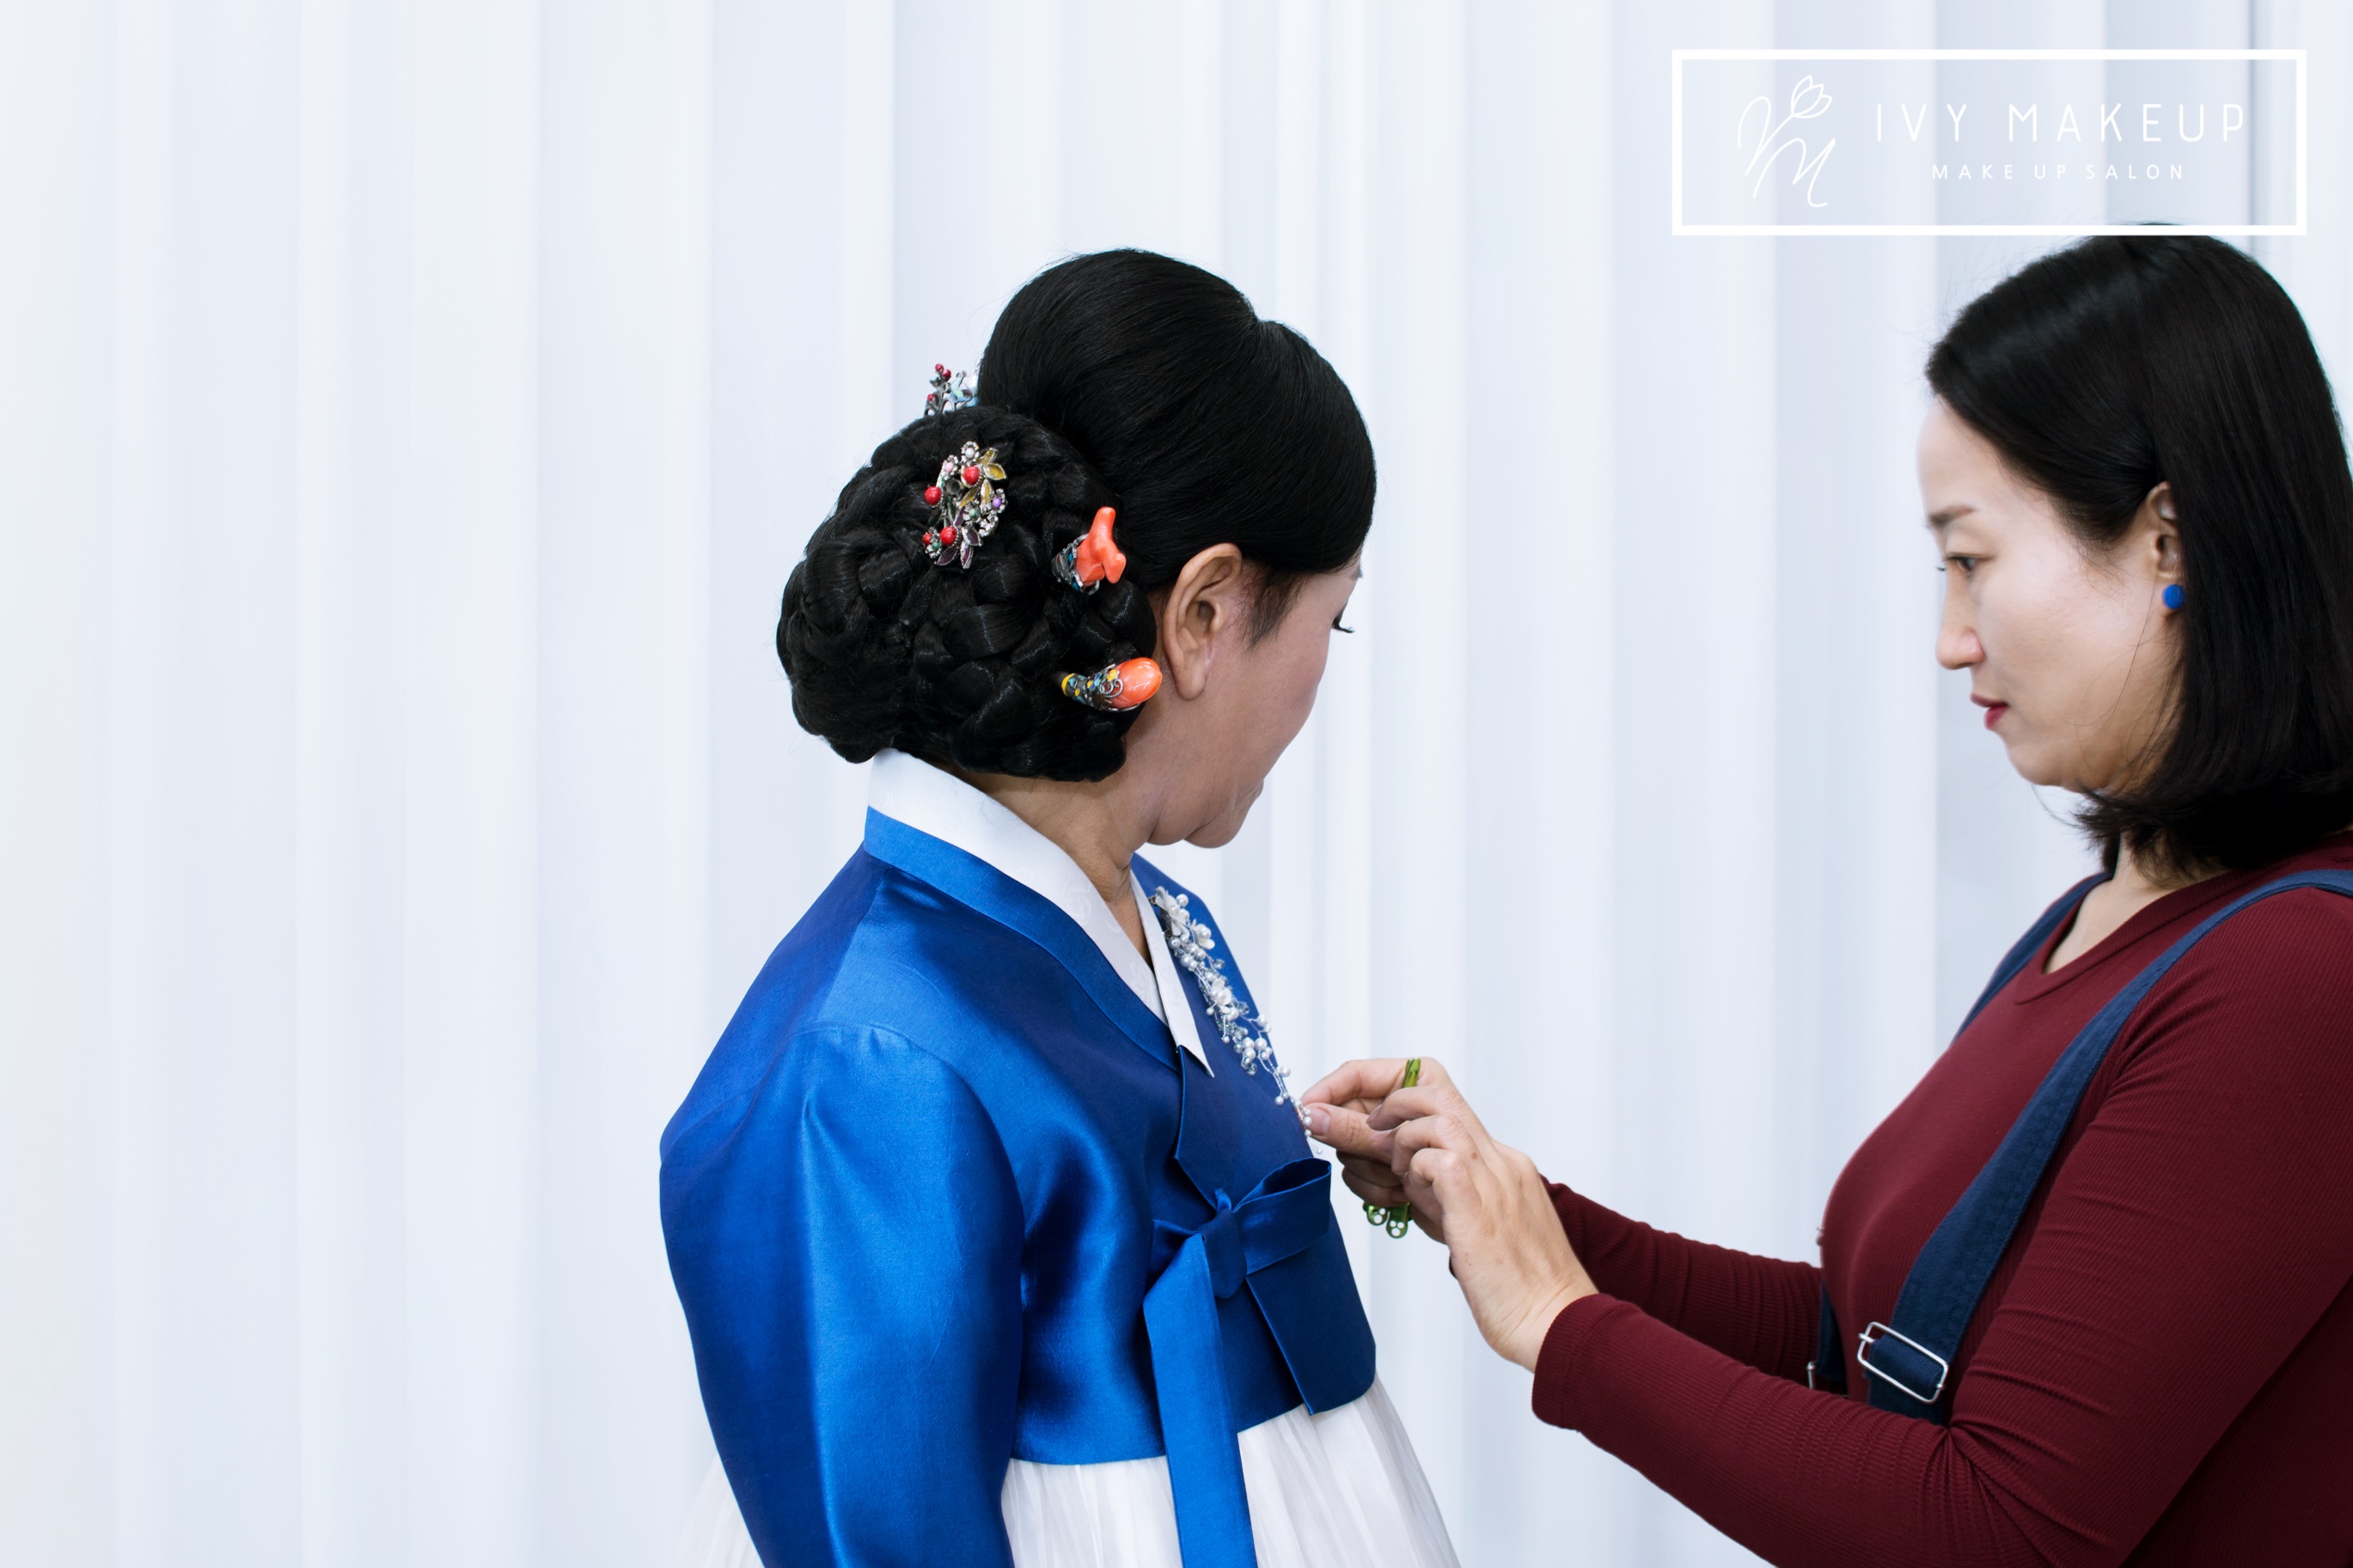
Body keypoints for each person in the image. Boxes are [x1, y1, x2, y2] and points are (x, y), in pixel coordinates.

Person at [1308, 235, 2353, 1565]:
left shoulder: (2293, 980)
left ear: (2166, 541)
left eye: (1970, 557)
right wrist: (1504, 1207)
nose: (1949, 636)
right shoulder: (2108, 922)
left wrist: (1563, 1326)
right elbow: (1863, 1345)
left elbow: (1994, 1529)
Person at [660, 250, 1457, 1568]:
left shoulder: (1160, 918)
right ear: (1203, 612)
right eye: (1335, 623)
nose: (1325, 677)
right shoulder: (869, 1058)